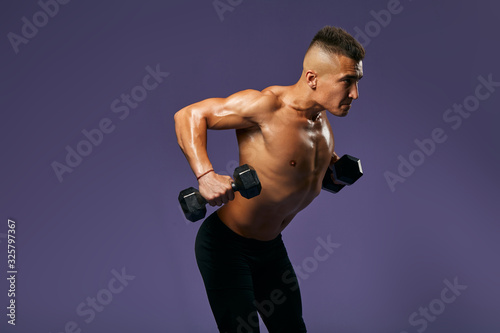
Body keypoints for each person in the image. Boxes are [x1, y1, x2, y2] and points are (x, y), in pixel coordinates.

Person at [174, 26, 365, 333]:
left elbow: (294, 164)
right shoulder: (266, 107)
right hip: (226, 246)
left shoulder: (322, 120)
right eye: (347, 81)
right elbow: (188, 116)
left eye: (357, 81)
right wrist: (206, 175)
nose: (355, 93)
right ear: (313, 78)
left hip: (270, 249)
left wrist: (329, 170)